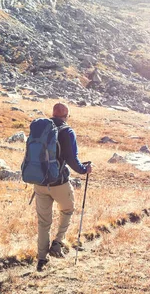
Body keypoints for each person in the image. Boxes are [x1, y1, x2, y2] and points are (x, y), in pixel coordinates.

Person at [34, 103, 92, 272]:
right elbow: (73, 160)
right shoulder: (67, 131)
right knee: (67, 209)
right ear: (66, 116)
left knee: (43, 223)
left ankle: (41, 260)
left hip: (39, 182)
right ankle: (58, 242)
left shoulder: (41, 128)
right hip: (59, 182)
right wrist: (84, 169)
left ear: (52, 114)